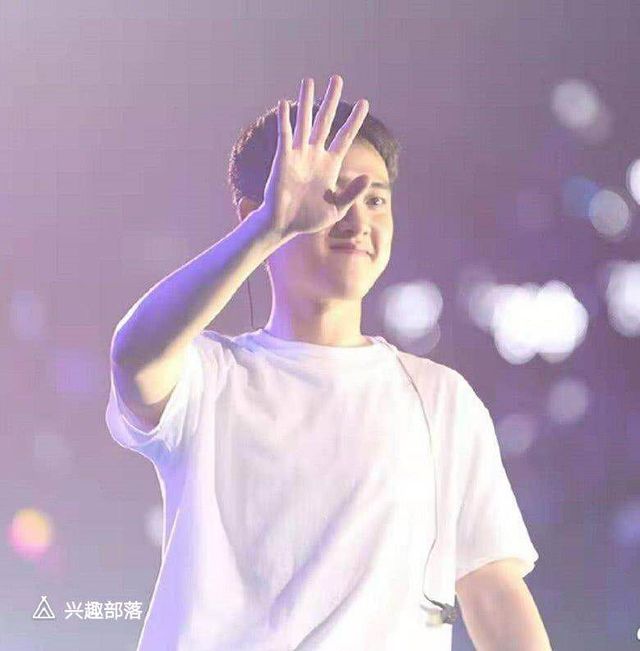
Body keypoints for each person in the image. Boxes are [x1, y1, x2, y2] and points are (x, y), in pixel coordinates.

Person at [105, 75, 552, 650]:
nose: (357, 220)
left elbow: (493, 589)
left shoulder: (440, 398)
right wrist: (268, 230)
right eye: (333, 195)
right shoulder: (210, 379)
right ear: (254, 212)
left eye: (376, 200)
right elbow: (134, 358)